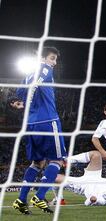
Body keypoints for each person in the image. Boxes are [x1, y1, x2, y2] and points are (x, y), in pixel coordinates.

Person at [11, 47, 66, 215]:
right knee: (57, 161)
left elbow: (17, 97)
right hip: (48, 121)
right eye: (51, 58)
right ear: (43, 58)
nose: (54, 63)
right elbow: (36, 84)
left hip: (31, 124)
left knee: (37, 163)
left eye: (55, 60)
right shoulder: (44, 68)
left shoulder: (27, 75)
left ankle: (21, 199)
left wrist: (21, 104)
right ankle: (40, 196)